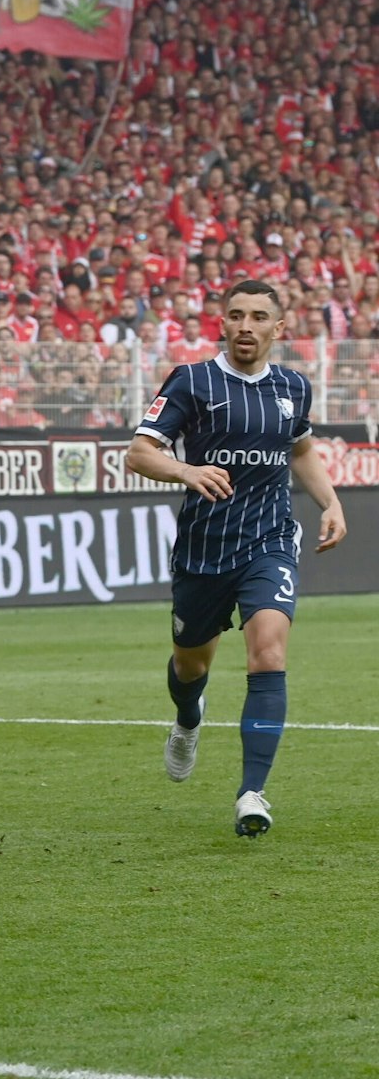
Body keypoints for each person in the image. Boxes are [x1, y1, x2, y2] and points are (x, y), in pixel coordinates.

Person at [123, 279, 348, 838]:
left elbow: (298, 449)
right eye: (237, 315)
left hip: (269, 541)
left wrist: (331, 501)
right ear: (222, 323)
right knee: (190, 666)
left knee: (267, 653)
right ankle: (187, 717)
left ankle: (253, 792)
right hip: (203, 550)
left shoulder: (294, 386)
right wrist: (186, 470)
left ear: (279, 327)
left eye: (258, 316)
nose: (246, 325)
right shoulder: (193, 380)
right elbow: (139, 453)